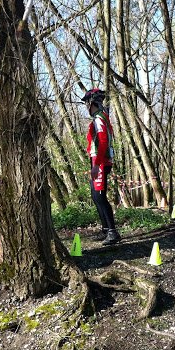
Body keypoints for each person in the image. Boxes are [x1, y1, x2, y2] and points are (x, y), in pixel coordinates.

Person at [81, 88, 120, 246]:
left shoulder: (99, 119)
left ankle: (112, 232)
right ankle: (106, 229)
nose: (86, 107)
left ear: (92, 103)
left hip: (101, 163)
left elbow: (103, 142)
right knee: (96, 196)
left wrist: (96, 165)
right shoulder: (102, 118)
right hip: (99, 161)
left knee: (99, 196)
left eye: (87, 104)